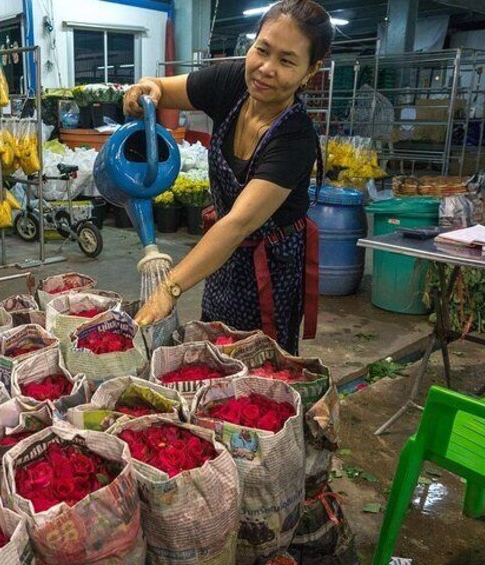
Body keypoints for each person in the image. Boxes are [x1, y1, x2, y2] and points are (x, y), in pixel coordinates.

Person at [128, 0, 334, 355]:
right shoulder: (231, 81)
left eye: (286, 61)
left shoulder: (295, 137)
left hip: (273, 265)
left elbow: (238, 222)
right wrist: (146, 92)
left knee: (260, 359)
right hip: (222, 255)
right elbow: (160, 87)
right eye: (262, 50)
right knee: (214, 344)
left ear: (309, 71)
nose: (266, 69)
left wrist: (169, 288)